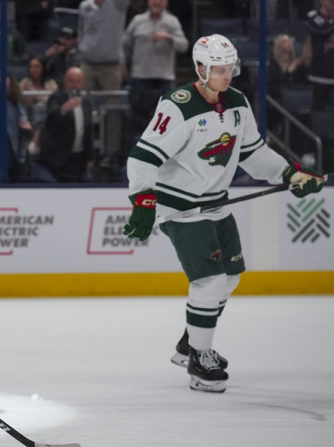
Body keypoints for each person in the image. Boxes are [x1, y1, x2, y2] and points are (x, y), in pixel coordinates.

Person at [124, 35, 325, 394]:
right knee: (210, 282)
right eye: (218, 69)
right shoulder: (178, 106)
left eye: (230, 67)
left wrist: (289, 174)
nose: (226, 75)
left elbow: (252, 152)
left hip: (216, 202)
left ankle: (190, 343)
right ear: (201, 69)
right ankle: (200, 360)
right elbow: (143, 157)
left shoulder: (236, 102)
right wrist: (142, 199)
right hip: (182, 207)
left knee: (230, 276)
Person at [77, 0, 130, 161]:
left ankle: (111, 153)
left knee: (112, 111)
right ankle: (82, 149)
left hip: (110, 66)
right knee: (82, 107)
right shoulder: (85, 6)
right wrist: (81, 51)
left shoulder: (117, 4)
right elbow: (81, 32)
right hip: (88, 65)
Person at [124, 0, 188, 134]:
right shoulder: (137, 21)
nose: (157, 2)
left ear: (166, 3)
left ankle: (163, 146)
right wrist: (123, 64)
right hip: (140, 75)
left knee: (168, 114)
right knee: (137, 115)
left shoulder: (172, 22)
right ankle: (138, 146)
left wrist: (168, 37)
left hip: (164, 77)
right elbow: (126, 44)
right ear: (148, 1)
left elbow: (183, 46)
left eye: (161, 0)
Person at [33, 66, 93, 183]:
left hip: (78, 158)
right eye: (71, 81)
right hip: (58, 157)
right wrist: (64, 109)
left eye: (78, 81)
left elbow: (88, 130)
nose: (74, 85)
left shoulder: (86, 102)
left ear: (82, 83)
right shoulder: (57, 97)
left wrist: (89, 158)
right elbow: (51, 116)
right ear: (65, 82)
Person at [305, 0, 334, 112]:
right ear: (321, 0)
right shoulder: (313, 17)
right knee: (318, 111)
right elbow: (321, 31)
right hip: (320, 75)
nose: (333, 1)